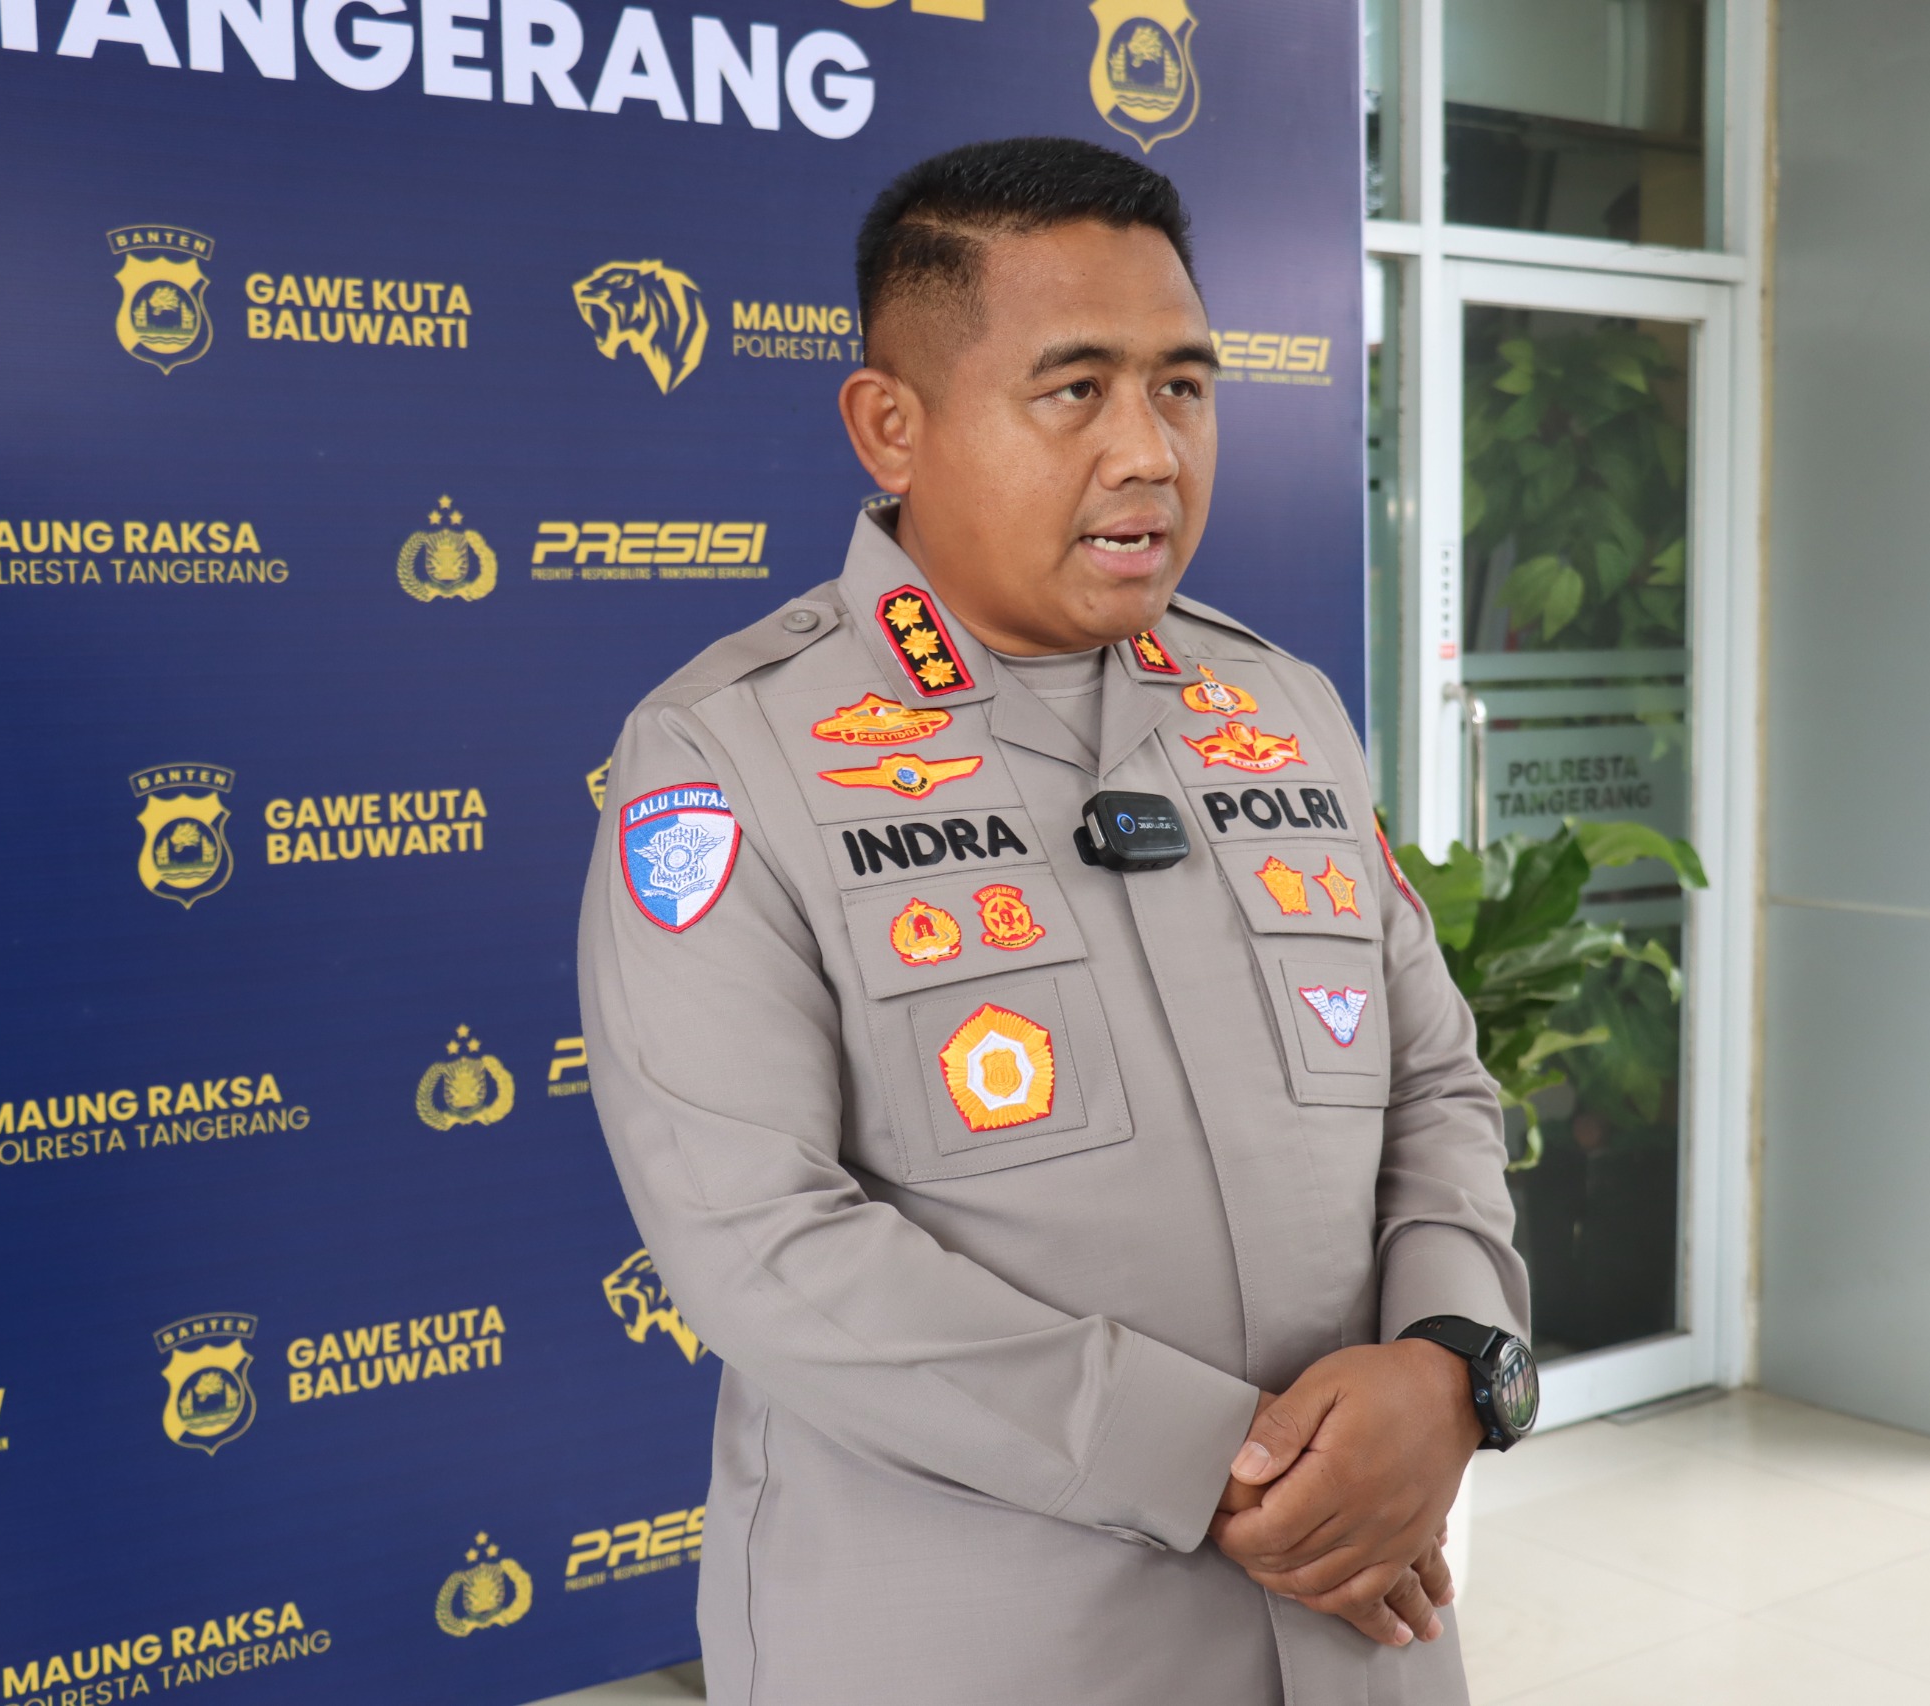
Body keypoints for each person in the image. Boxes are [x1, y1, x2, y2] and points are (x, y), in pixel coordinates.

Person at [578, 135, 1530, 1706]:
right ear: (891, 426)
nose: (1149, 452)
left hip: (1362, 1628)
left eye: (1183, 386)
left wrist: (1450, 1361)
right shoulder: (726, 755)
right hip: (981, 1647)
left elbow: (1434, 1082)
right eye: (1075, 389)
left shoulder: (1281, 707)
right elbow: (758, 1238)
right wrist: (1220, 1459)